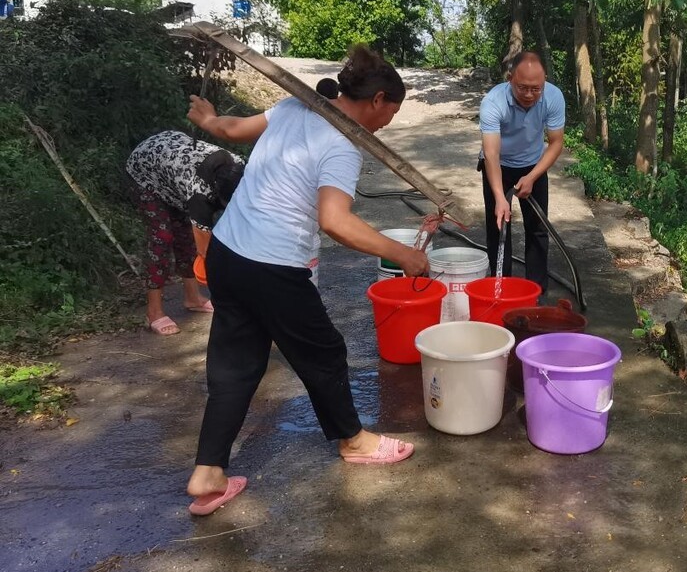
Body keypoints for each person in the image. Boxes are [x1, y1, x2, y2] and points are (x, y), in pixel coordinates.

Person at [183, 45, 429, 516]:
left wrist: (209, 119)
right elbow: (335, 220)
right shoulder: (342, 146)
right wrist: (404, 255)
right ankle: (354, 441)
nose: (389, 123)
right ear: (377, 99)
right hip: (272, 265)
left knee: (237, 365)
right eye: (392, 111)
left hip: (228, 254)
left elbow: (230, 130)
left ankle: (208, 472)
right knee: (324, 352)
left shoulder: (296, 105)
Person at [125, 131, 245, 336]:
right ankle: (154, 313)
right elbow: (205, 250)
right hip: (145, 172)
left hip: (173, 170)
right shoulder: (199, 191)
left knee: (185, 237)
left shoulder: (243, 170)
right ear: (216, 192)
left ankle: (193, 298)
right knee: (161, 238)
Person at [478, 50, 565, 292]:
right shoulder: (493, 102)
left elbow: (556, 142)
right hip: (499, 165)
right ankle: (501, 287)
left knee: (537, 228)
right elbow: (491, 153)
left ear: (544, 80)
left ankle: (536, 290)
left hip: (533, 165)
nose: (529, 94)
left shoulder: (554, 97)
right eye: (522, 87)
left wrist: (532, 177)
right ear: (510, 79)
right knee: (498, 226)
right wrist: (499, 197)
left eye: (535, 88)